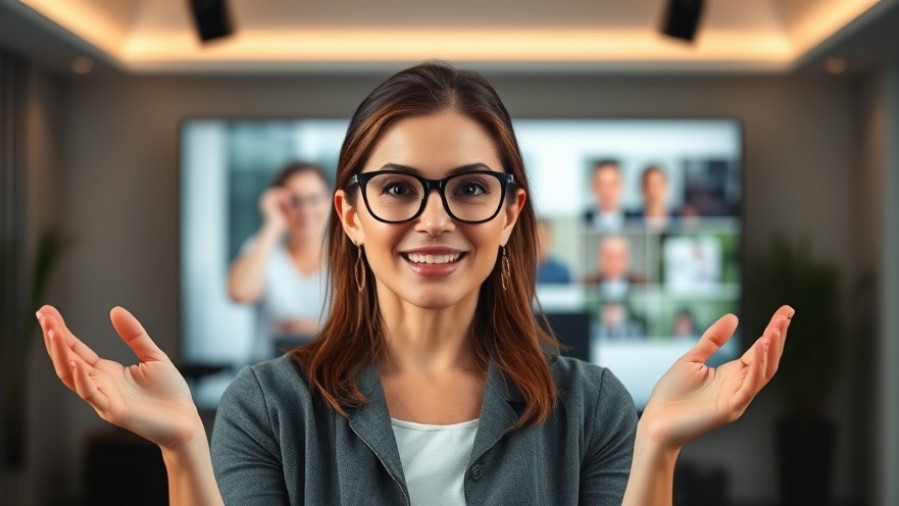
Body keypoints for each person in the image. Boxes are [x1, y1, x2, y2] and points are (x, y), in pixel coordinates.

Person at [37, 62, 794, 506]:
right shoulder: (266, 408)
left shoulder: (593, 409)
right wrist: (180, 450)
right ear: (352, 214)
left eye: (468, 190)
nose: (435, 221)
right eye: (398, 189)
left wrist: (656, 446)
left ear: (508, 214)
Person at [227, 162, 330, 362]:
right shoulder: (264, 249)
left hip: (334, 374)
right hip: (267, 375)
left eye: (314, 199)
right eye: (295, 201)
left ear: (330, 200)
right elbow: (239, 292)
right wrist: (273, 224)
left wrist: (316, 330)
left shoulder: (350, 254)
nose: (306, 210)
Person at [583, 234, 647, 300]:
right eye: (609, 256)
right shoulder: (587, 284)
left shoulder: (642, 284)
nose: (614, 262)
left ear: (628, 259)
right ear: (599, 258)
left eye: (619, 257)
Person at [628, 165, 680, 231]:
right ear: (641, 188)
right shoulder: (631, 220)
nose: (653, 190)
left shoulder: (680, 219)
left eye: (657, 185)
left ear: (666, 187)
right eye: (648, 185)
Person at [582, 159, 626, 232]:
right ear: (593, 187)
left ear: (622, 186)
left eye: (613, 184)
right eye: (602, 185)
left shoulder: (637, 220)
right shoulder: (582, 220)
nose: (607, 191)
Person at [536, 219, 573, 284]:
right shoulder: (522, 270)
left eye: (544, 238)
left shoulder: (562, 272)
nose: (541, 243)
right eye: (537, 238)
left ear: (550, 238)